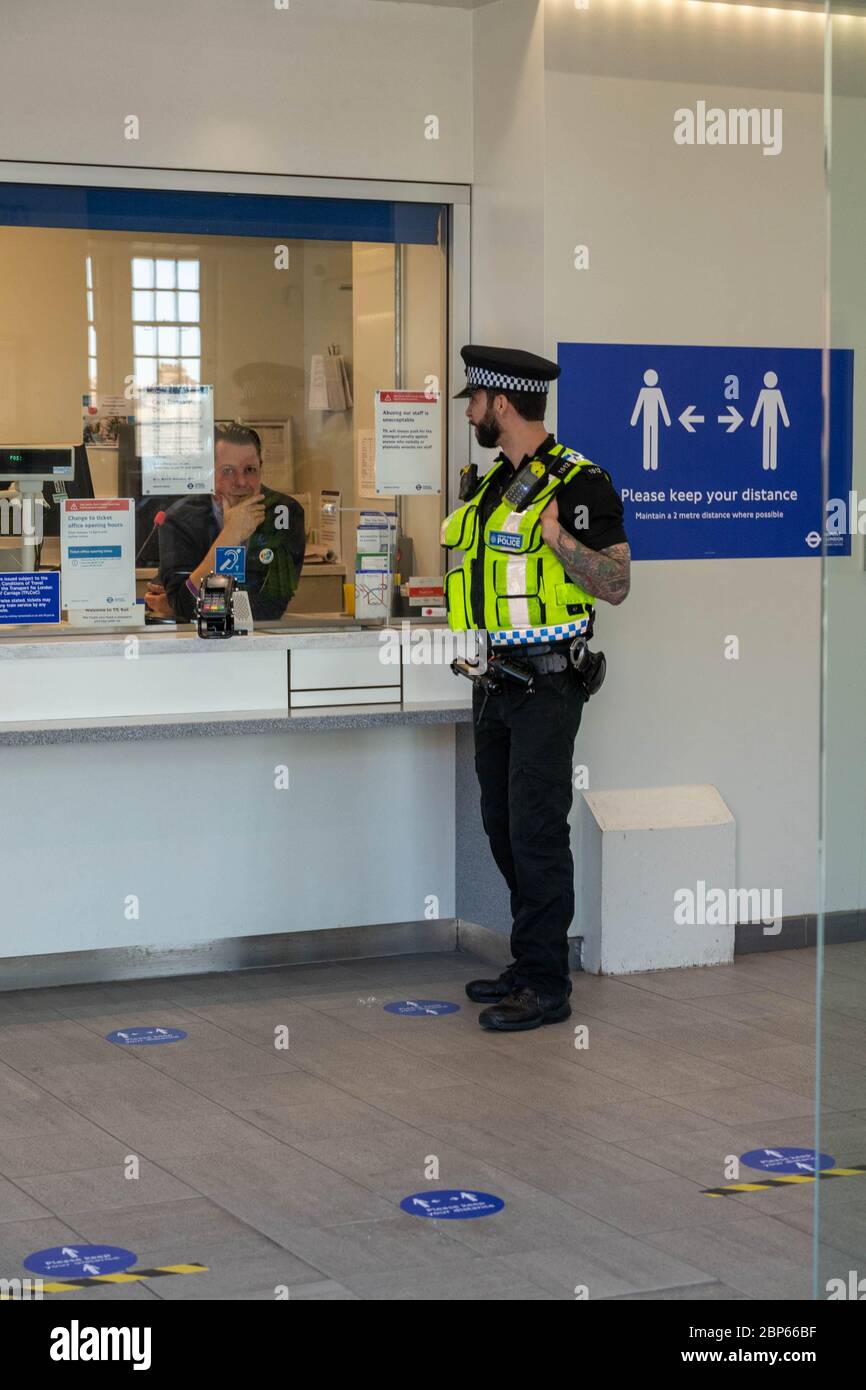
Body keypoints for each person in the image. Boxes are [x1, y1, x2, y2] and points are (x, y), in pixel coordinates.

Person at [442, 345, 631, 1032]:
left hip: (549, 682)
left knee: (538, 832)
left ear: (502, 404)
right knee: (502, 826)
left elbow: (616, 583)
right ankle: (529, 960)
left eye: (475, 400)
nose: (469, 410)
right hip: (495, 681)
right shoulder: (496, 484)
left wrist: (559, 542)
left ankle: (548, 984)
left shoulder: (579, 484)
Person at [145, 424, 306, 622]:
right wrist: (230, 535)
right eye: (228, 470)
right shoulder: (179, 519)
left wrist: (191, 605)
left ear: (261, 468)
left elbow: (271, 607)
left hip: (262, 642)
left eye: (250, 469)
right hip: (197, 644)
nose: (241, 482)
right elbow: (185, 605)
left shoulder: (284, 513)